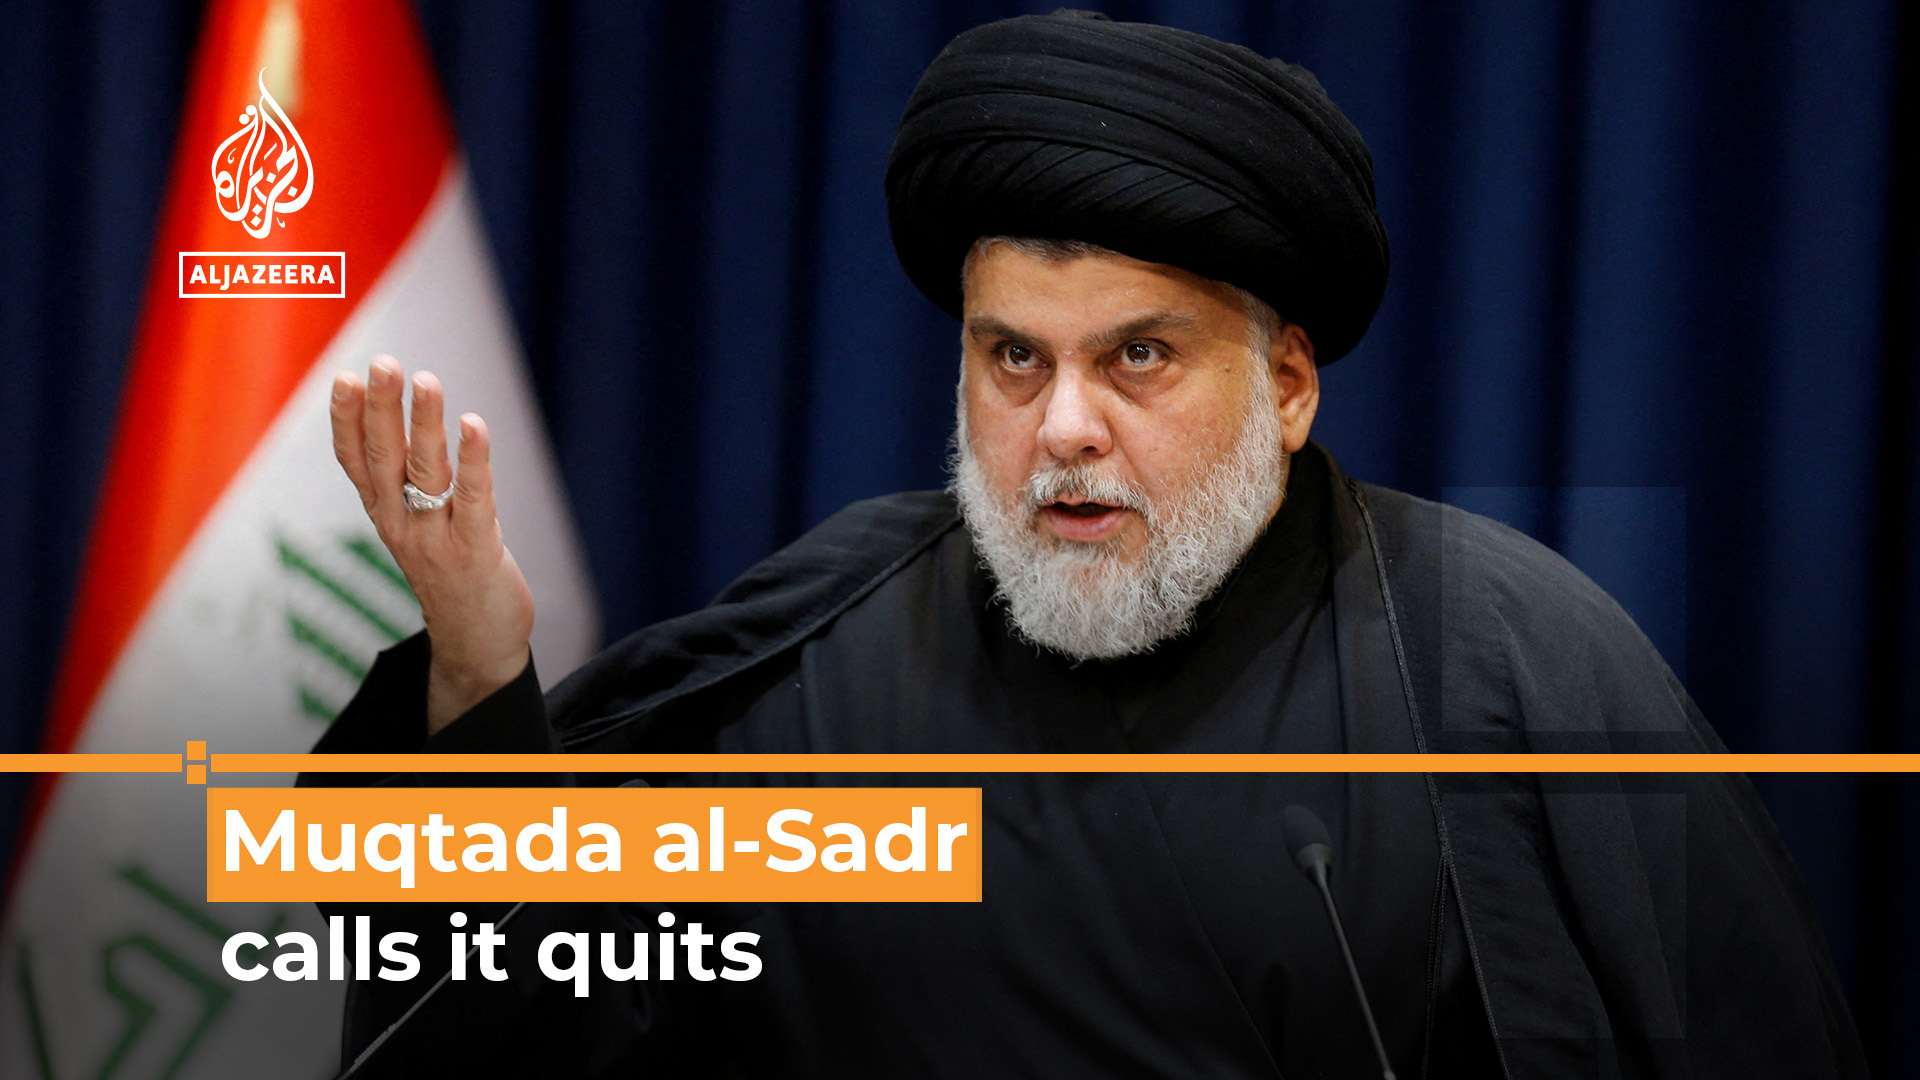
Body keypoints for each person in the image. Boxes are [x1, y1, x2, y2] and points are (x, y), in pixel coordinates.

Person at [304, 12, 1864, 1078]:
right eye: (1013, 358)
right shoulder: (828, 662)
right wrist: (477, 672)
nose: (1062, 428)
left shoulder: (1508, 665)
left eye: (1138, 358)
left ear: (1289, 386)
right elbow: (515, 1016)